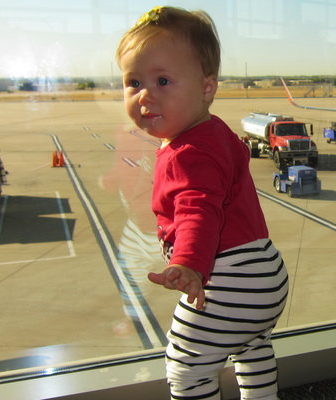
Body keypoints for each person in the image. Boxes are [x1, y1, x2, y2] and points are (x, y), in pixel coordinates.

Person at [116, 6, 289, 399]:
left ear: (207, 88)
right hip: (264, 273)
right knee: (250, 344)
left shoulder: (187, 153)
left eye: (163, 80)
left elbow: (198, 209)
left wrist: (189, 263)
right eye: (133, 81)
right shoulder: (215, 132)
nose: (145, 95)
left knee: (187, 364)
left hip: (225, 277)